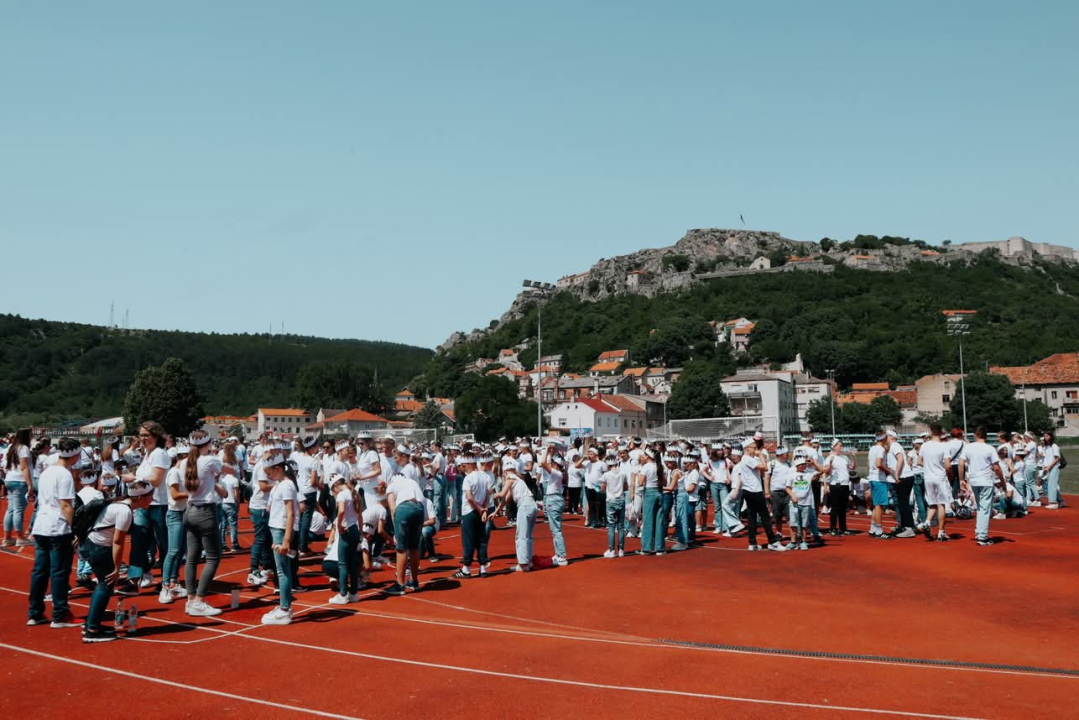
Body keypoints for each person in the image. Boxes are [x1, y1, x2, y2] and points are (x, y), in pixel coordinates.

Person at [82, 480, 153, 642]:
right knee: (105, 585)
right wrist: (116, 567)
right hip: (99, 548)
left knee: (103, 584)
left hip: (93, 544)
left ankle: (91, 624)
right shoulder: (125, 512)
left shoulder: (119, 505)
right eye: (150, 496)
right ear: (140, 497)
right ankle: (92, 630)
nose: (152, 499)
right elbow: (117, 541)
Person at [27, 437, 82, 628]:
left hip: (41, 524)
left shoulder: (47, 472)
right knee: (59, 571)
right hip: (58, 527)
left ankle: (35, 612)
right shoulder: (65, 475)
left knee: (40, 571)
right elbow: (65, 504)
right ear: (75, 455)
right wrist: (74, 529)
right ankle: (60, 613)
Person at [180, 430, 234, 616]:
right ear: (208, 444)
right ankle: (199, 600)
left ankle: (190, 599)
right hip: (205, 512)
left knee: (192, 558)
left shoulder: (184, 463)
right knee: (212, 557)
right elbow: (231, 469)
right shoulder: (209, 460)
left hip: (189, 510)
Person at [119, 421, 170, 593]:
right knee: (138, 541)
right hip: (143, 504)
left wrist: (133, 478)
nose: (142, 438)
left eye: (146, 435)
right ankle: (134, 580)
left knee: (164, 544)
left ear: (156, 436)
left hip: (158, 504)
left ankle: (167, 581)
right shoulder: (147, 455)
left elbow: (156, 479)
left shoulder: (159, 454)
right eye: (141, 435)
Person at [262, 453, 297, 625]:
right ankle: (284, 606)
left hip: (281, 531)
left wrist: (286, 540)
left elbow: (290, 513)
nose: (267, 476)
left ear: (277, 468)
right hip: (276, 529)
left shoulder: (286, 486)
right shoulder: (279, 485)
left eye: (269, 472)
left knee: (282, 571)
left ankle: (285, 609)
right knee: (283, 570)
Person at [732, 440, 786, 552]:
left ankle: (752, 543)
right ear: (747, 448)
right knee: (765, 517)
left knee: (752, 518)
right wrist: (761, 455)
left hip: (750, 490)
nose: (755, 450)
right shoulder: (747, 459)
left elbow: (761, 471)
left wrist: (760, 457)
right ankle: (772, 542)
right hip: (754, 491)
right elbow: (765, 467)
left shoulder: (748, 459)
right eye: (753, 447)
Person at [960, 427, 1004, 546]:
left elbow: (961, 463)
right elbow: (996, 468)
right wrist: (1002, 481)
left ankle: (979, 532)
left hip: (974, 480)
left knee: (980, 507)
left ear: (975, 435)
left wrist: (961, 479)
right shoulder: (990, 448)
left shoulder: (969, 447)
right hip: (985, 480)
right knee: (984, 508)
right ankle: (982, 536)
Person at [384, 471, 425, 595]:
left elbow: (392, 508)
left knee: (401, 548)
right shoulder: (412, 482)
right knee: (413, 546)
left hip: (404, 509)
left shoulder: (392, 485)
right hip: (419, 509)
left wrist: (396, 532)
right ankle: (414, 581)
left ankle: (400, 584)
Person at [159, 444, 190, 604]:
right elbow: (175, 495)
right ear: (183, 457)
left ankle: (173, 581)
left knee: (181, 550)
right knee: (173, 550)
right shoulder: (174, 473)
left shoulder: (182, 473)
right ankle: (165, 585)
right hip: (175, 514)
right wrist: (193, 492)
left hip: (183, 513)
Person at [916, 424, 954, 542]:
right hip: (939, 477)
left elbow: (919, 461)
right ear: (942, 433)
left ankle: (927, 522)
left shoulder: (925, 446)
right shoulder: (944, 446)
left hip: (928, 477)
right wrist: (949, 473)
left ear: (931, 432)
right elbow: (947, 465)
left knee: (932, 504)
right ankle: (941, 531)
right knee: (941, 504)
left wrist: (929, 466)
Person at [328, 474, 361, 605]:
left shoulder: (342, 495)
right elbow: (358, 515)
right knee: (352, 563)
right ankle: (353, 593)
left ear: (335, 486)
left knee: (342, 563)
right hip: (354, 529)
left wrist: (339, 524)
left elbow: (341, 511)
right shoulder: (352, 493)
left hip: (347, 529)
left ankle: (343, 594)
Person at [3, 427, 34, 547]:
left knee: (11, 509)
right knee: (18, 509)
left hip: (10, 479)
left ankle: (7, 538)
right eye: (31, 435)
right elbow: (24, 467)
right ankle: (20, 537)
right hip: (19, 480)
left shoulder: (12, 447)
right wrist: (29, 484)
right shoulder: (24, 448)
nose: (32, 437)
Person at [786, 457, 818, 550]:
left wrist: (814, 463)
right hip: (794, 503)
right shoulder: (791, 475)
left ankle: (803, 541)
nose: (804, 466)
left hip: (806, 503)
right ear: (797, 466)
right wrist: (792, 496)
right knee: (793, 523)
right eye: (802, 464)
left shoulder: (809, 474)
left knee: (804, 524)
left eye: (805, 464)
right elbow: (787, 488)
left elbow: (822, 470)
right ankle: (793, 541)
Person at [821, 439, 853, 536]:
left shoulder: (844, 457)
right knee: (835, 508)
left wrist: (853, 458)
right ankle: (833, 528)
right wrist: (826, 486)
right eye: (839, 445)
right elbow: (826, 472)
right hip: (836, 485)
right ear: (834, 447)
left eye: (841, 445)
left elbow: (852, 467)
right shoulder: (830, 457)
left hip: (845, 485)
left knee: (843, 508)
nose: (841, 447)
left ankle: (843, 528)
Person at [637, 449, 665, 555]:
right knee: (659, 520)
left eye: (644, 454)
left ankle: (647, 548)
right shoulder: (660, 466)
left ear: (648, 456)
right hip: (659, 492)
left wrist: (640, 472)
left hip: (649, 492)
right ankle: (660, 548)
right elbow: (664, 481)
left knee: (648, 521)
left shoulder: (646, 467)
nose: (642, 456)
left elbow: (640, 482)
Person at [866, 432, 893, 539]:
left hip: (872, 478)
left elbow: (869, 464)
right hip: (879, 479)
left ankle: (873, 529)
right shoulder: (880, 449)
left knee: (876, 504)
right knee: (879, 506)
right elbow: (878, 464)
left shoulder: (872, 448)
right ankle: (879, 530)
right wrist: (887, 471)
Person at [602, 452, 628, 558]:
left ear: (608, 465)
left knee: (611, 526)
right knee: (621, 525)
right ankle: (621, 550)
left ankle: (612, 550)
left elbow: (602, 488)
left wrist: (603, 488)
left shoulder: (606, 475)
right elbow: (626, 487)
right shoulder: (623, 474)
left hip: (611, 500)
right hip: (621, 499)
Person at [769, 447, 793, 542]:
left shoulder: (789, 464)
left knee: (790, 515)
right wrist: (767, 492)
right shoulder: (772, 464)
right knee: (777, 515)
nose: (787, 455)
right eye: (785, 454)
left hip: (787, 493)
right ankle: (779, 532)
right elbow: (767, 478)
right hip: (776, 493)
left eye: (787, 453)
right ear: (779, 455)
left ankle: (793, 536)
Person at [1040, 432, 1063, 509]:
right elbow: (1046, 458)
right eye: (1044, 436)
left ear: (1051, 437)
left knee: (1052, 485)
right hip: (1048, 467)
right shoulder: (1047, 447)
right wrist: (1044, 466)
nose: (1045, 437)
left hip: (1054, 467)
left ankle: (1053, 502)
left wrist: (1049, 467)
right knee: (1051, 484)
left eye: (1047, 436)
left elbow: (1057, 458)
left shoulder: (1054, 446)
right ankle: (1060, 501)